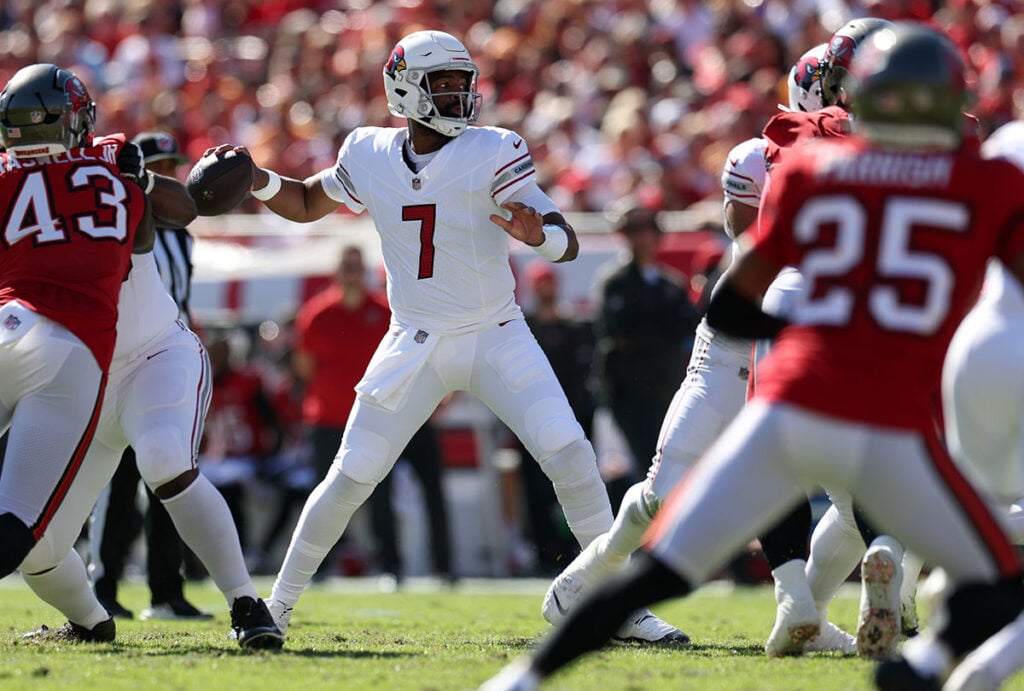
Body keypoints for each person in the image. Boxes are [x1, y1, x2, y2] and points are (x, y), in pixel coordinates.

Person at [481, 22, 1024, 691]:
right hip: (886, 414)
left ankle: (521, 678)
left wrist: (816, 334)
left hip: (790, 393)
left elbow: (733, 304)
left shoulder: (810, 165)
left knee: (661, 569)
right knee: (995, 579)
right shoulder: (987, 181)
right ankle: (920, 665)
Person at [217, 29, 628, 640]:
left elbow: (563, 237)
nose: (459, 95)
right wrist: (257, 180)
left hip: (496, 332)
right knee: (351, 475)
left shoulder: (493, 149)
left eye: (464, 83)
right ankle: (274, 609)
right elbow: (306, 203)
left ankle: (615, 605)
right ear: (405, 89)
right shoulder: (369, 151)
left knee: (569, 453)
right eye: (443, 83)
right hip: (414, 339)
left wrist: (538, 234)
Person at [540, 42, 856, 658]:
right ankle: (591, 569)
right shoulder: (760, 157)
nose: (856, 97)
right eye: (844, 85)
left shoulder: (863, 161)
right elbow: (753, 239)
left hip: (796, 351)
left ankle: (811, 612)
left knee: (851, 494)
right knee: (662, 495)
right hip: (733, 355)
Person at [0, 64, 282, 649]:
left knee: (161, 458)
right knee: (40, 547)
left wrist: (144, 183)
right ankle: (91, 622)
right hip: (81, 376)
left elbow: (182, 212)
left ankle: (246, 603)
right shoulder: (18, 181)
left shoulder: (108, 161)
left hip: (154, 352)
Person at [0, 62, 151, 640]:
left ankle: (92, 624)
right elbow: (139, 240)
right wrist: (125, 174)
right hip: (69, 349)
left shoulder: (8, 178)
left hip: (8, 321)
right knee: (19, 527)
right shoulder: (116, 176)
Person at [88, 130, 211, 622]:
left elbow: (181, 304)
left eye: (170, 166)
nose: (165, 178)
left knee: (171, 481)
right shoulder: (117, 225)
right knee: (114, 485)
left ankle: (166, 589)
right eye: (155, 166)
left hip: (167, 362)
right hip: (122, 365)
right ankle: (104, 585)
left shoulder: (180, 233)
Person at [291, 244, 453, 584]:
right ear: (336, 271)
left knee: (422, 491)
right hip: (332, 419)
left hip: (397, 413)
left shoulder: (385, 311)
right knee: (329, 494)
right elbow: (305, 367)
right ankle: (320, 568)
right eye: (345, 266)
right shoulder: (317, 314)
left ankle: (438, 567)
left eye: (356, 266)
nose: (351, 274)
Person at [937, 119, 1024, 691]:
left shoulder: (1005, 142)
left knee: (976, 514)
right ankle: (980, 663)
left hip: (976, 340)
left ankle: (943, 624)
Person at [590, 202, 698, 506]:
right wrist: (661, 336)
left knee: (673, 467)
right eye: (634, 229)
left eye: (647, 228)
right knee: (642, 469)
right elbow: (620, 333)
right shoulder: (614, 282)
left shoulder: (670, 283)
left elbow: (687, 327)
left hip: (666, 388)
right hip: (629, 394)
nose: (642, 237)